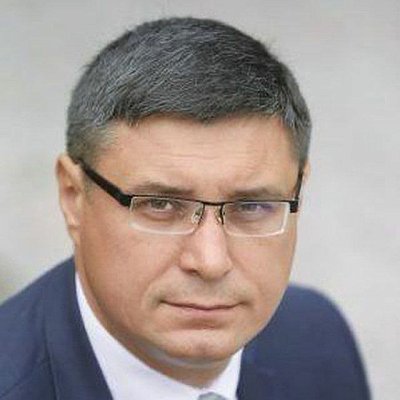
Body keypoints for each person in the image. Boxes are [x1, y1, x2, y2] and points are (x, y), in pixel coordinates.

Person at [0, 17, 370, 400]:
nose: (210, 262)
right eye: (160, 205)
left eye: (251, 206)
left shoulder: (316, 341)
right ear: (73, 197)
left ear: (298, 193)